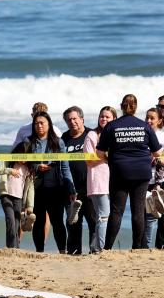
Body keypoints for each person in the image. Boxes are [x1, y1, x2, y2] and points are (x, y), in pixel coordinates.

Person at [96, 95, 162, 249]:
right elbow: (158, 152)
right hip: (142, 173)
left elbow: (99, 154)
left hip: (120, 172)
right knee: (138, 211)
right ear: (136, 107)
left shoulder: (112, 126)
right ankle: (137, 247)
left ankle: (107, 248)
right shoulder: (144, 126)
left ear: (121, 106)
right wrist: (145, 157)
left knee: (116, 211)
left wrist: (109, 160)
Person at [26, 111, 76, 253]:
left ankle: (62, 251)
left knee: (57, 222)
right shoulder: (29, 142)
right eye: (36, 123)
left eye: (42, 123)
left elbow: (65, 166)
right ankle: (40, 251)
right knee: (39, 222)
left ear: (49, 124)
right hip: (37, 188)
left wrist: (70, 188)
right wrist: (37, 166)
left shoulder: (58, 142)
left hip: (56, 188)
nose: (39, 126)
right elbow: (24, 163)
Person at [84, 106, 116, 253]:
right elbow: (90, 161)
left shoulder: (114, 135)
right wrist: (107, 156)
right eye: (102, 116)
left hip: (113, 181)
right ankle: (99, 249)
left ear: (114, 119)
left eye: (107, 117)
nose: (104, 119)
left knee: (101, 217)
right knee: (103, 216)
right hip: (98, 182)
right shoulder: (92, 135)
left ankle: (94, 247)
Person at [61, 107, 91, 255]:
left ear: (82, 119)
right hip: (71, 189)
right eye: (68, 120)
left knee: (93, 222)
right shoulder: (63, 139)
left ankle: (95, 253)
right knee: (73, 224)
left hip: (91, 187)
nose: (72, 122)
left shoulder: (91, 135)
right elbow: (59, 163)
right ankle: (74, 253)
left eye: (75, 119)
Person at [0, 143, 34, 249]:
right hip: (5, 195)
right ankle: (12, 247)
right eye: (21, 156)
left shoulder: (28, 169)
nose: (23, 160)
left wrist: (30, 206)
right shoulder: (7, 162)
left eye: (26, 157)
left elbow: (30, 188)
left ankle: (15, 247)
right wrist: (9, 170)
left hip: (19, 198)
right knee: (10, 220)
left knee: (16, 224)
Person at [143, 107, 164, 248]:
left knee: (152, 217)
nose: (149, 120)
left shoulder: (162, 136)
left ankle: (152, 246)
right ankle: (145, 246)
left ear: (160, 120)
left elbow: (161, 161)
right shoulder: (142, 134)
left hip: (158, 180)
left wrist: (158, 182)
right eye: (147, 118)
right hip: (143, 179)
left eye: (152, 118)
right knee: (145, 216)